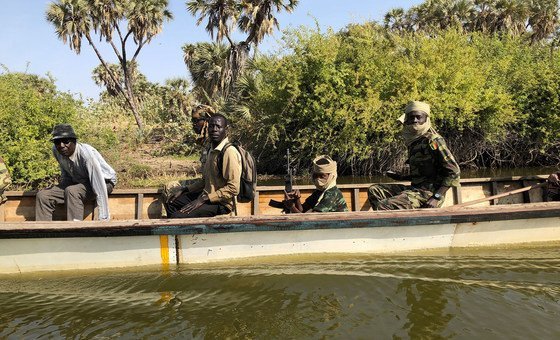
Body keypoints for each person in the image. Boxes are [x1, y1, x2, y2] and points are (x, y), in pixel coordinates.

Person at [368, 101, 460, 210]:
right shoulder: (414, 141)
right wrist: (401, 177)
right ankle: (399, 220)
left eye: (418, 117)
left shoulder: (433, 140)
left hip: (429, 194)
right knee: (374, 189)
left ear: (426, 119)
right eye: (412, 117)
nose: (415, 120)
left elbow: (454, 172)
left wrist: (436, 197)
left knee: (383, 206)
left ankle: (391, 221)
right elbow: (423, 174)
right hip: (415, 190)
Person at [35, 124, 117, 221]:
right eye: (57, 142)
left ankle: (75, 228)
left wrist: (104, 218)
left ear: (74, 141)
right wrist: (61, 187)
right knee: (43, 195)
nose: (61, 145)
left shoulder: (86, 155)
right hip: (79, 182)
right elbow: (65, 172)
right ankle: (43, 230)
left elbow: (99, 186)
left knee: (72, 191)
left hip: (104, 181)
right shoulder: (56, 150)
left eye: (66, 141)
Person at [169, 114, 241, 218]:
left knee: (177, 217)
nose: (214, 130)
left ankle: (181, 227)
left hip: (221, 203)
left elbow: (233, 188)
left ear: (226, 130)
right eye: (211, 126)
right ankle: (185, 230)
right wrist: (185, 190)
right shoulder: (211, 150)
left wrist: (202, 199)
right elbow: (205, 181)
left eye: (218, 127)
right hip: (205, 196)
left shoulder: (229, 152)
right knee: (171, 202)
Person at [163, 104, 214, 215]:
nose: (193, 124)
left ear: (207, 121)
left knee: (170, 188)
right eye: (192, 121)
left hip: (211, 188)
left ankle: (175, 220)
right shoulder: (205, 141)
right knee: (170, 188)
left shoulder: (214, 142)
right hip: (204, 183)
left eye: (196, 120)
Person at [283, 155, 348, 213]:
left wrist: (291, 207)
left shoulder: (332, 193)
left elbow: (311, 219)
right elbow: (303, 210)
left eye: (322, 176)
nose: (317, 179)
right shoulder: (318, 192)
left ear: (331, 176)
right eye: (315, 176)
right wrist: (297, 199)